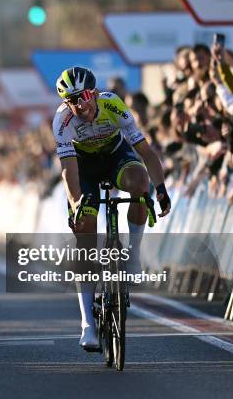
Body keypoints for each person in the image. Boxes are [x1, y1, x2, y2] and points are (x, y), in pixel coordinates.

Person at [52, 67, 171, 350]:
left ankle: (132, 256)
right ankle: (87, 325)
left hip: (116, 155)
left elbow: (146, 152)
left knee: (141, 184)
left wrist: (162, 189)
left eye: (84, 96)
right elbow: (69, 172)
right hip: (84, 168)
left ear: (94, 93)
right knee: (85, 232)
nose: (80, 104)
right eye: (72, 100)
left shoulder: (113, 104)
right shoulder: (62, 120)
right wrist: (77, 204)